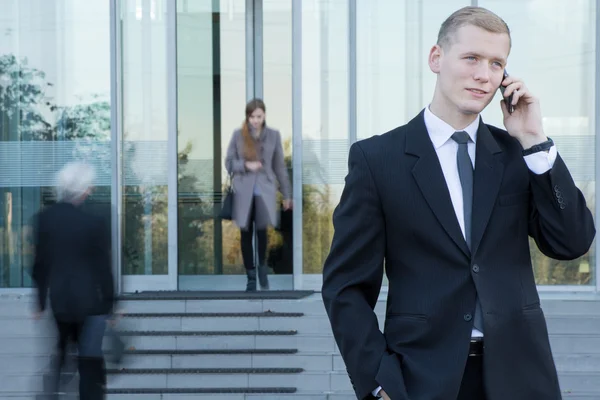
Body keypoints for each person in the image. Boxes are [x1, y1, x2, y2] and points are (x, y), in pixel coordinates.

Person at [321, 6, 595, 400]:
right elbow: (345, 287)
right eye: (471, 58)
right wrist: (379, 381)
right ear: (437, 58)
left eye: (496, 63)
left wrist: (535, 141)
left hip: (520, 377)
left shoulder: (519, 155)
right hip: (421, 379)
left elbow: (572, 243)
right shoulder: (377, 160)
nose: (484, 74)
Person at [32, 162, 115, 400]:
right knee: (90, 359)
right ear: (83, 190)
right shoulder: (94, 220)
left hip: (60, 300)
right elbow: (103, 266)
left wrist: (39, 301)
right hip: (90, 302)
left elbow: (41, 263)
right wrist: (111, 304)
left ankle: (52, 392)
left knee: (61, 350)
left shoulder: (46, 219)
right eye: (88, 187)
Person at [225, 98, 292, 291]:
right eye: (252, 116)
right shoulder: (239, 135)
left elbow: (279, 167)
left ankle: (262, 267)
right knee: (245, 234)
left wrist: (287, 195)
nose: (256, 120)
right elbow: (228, 162)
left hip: (265, 192)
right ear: (248, 116)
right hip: (243, 192)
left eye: (259, 116)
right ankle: (251, 277)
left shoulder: (273, 135)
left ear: (264, 116)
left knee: (262, 233)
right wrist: (246, 165)